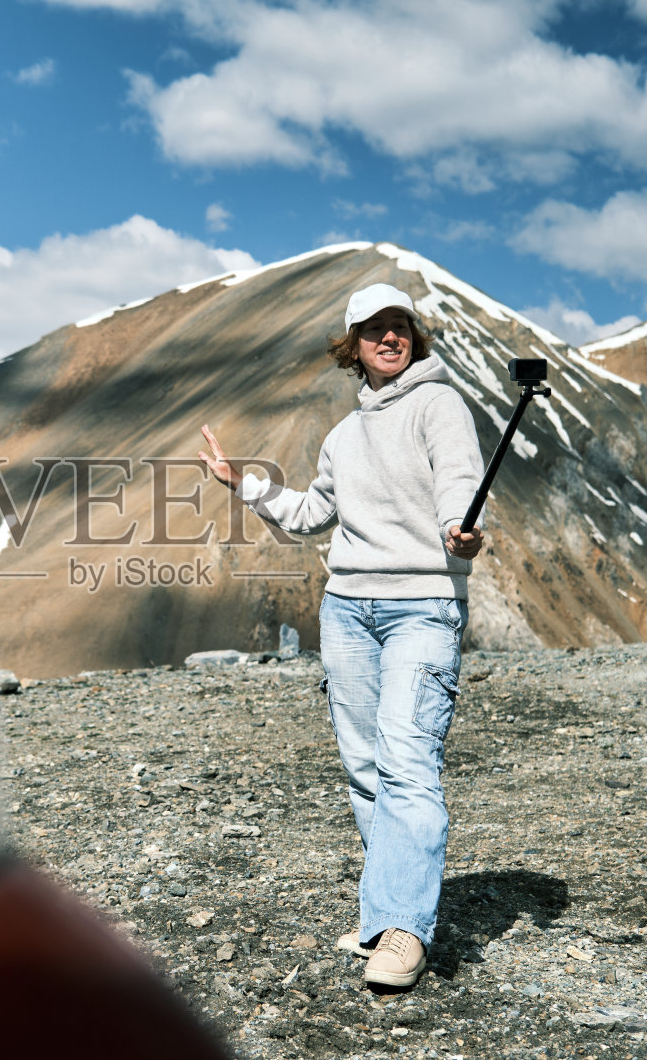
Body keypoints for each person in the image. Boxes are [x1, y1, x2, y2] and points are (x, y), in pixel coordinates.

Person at [198, 283, 484, 989]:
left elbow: (461, 483)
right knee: (363, 763)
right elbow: (308, 513)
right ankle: (387, 912)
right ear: (352, 345)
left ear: (415, 336)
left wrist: (463, 530)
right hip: (348, 609)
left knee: (406, 756)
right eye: (374, 329)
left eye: (401, 326)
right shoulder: (344, 435)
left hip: (423, 604)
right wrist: (243, 483)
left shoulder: (439, 403)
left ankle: (406, 933)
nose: (390, 337)